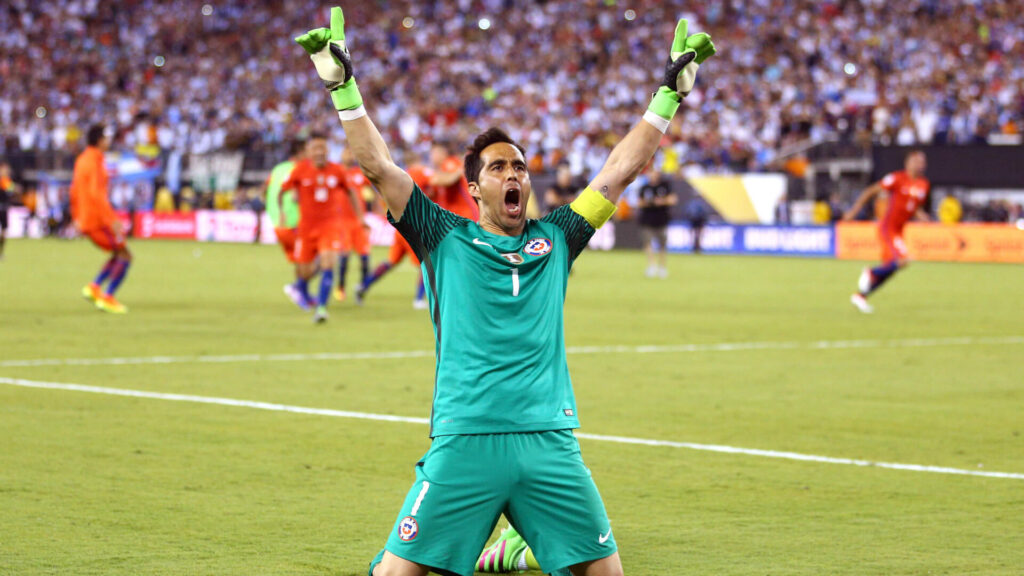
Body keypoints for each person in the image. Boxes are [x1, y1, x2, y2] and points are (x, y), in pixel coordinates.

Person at [296, 8, 714, 576]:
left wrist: (667, 95)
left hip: (548, 439)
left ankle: (520, 546)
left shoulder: (559, 237)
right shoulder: (442, 235)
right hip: (467, 437)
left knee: (608, 573)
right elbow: (380, 168)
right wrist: (343, 89)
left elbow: (618, 171)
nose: (514, 174)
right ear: (474, 188)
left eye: (519, 166)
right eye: (498, 167)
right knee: (397, 575)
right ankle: (512, 544)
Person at [279, 133, 360, 323]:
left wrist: (359, 218)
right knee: (305, 270)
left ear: (328, 149)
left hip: (330, 226)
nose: (319, 152)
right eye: (315, 148)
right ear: (308, 151)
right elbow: (283, 191)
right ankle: (301, 289)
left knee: (328, 262)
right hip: (306, 228)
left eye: (322, 147)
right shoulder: (300, 170)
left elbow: (351, 193)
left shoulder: (337, 171)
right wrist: (282, 212)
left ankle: (322, 308)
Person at [844, 150, 930, 313]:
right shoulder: (897, 178)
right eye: (917, 161)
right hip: (888, 228)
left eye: (922, 162)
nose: (921, 164)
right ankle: (871, 271)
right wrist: (853, 211)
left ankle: (861, 296)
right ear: (908, 163)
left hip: (899, 230)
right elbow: (871, 191)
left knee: (892, 268)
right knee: (902, 260)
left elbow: (914, 206)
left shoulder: (923, 185)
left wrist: (922, 216)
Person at [70, 125, 131, 314]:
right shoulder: (95, 161)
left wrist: (76, 217)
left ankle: (94, 287)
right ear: (99, 140)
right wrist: (111, 220)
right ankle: (108, 297)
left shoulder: (83, 159)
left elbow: (74, 191)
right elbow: (97, 195)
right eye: (106, 137)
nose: (109, 141)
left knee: (117, 253)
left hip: (88, 218)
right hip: (98, 219)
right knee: (125, 255)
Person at [356, 164, 430, 309]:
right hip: (411, 230)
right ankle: (419, 299)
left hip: (399, 230)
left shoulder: (395, 186)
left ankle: (363, 286)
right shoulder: (417, 177)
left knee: (391, 262)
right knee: (426, 263)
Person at [265, 139, 313, 309]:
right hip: (294, 222)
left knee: (301, 260)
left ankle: (304, 294)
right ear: (300, 152)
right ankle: (298, 289)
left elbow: (266, 190)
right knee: (317, 259)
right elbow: (295, 196)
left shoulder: (278, 169)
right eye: (308, 150)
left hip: (278, 223)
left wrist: (276, 212)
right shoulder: (299, 170)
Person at [336, 146, 373, 302]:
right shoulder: (336, 172)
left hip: (359, 223)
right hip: (342, 222)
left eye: (351, 152)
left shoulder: (360, 174)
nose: (349, 155)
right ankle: (341, 288)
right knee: (343, 258)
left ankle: (361, 290)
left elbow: (373, 193)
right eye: (346, 152)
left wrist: (379, 210)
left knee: (365, 259)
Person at [636, 166, 676, 277]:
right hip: (647, 220)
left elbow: (673, 199)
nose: (652, 175)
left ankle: (662, 267)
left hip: (662, 219)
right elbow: (639, 203)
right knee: (647, 243)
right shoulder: (644, 188)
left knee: (662, 245)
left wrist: (661, 201)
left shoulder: (665, 186)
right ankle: (652, 265)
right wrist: (651, 203)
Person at [428, 141, 479, 220]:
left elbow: (451, 179)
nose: (431, 157)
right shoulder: (440, 170)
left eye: (434, 153)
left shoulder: (449, 162)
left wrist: (436, 179)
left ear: (442, 153)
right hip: (454, 217)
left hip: (465, 215)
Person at [0, 161, 18, 260]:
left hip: (4, 209)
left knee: (4, 232)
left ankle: (1, 252)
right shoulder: (3, 180)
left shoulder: (6, 180)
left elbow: (11, 190)